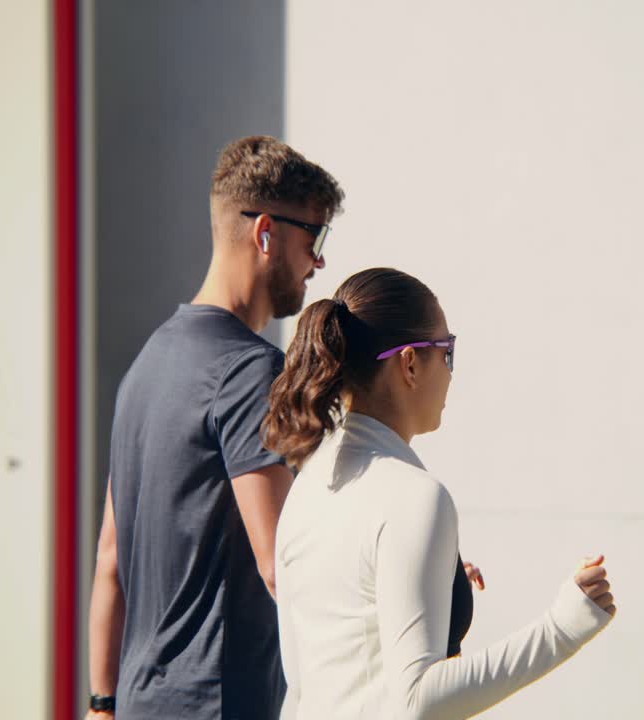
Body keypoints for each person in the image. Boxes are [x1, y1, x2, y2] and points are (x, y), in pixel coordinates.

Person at [263, 268, 615, 719]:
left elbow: (305, 679)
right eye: (446, 353)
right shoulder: (412, 496)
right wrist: (562, 628)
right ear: (409, 364)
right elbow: (420, 701)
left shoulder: (306, 487)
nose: (450, 374)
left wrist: (428, 580)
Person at [85, 136, 344, 720]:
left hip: (139, 705)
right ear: (266, 234)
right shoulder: (249, 371)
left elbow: (109, 560)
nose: (320, 263)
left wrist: (102, 705)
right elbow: (282, 563)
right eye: (316, 238)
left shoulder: (145, 366)